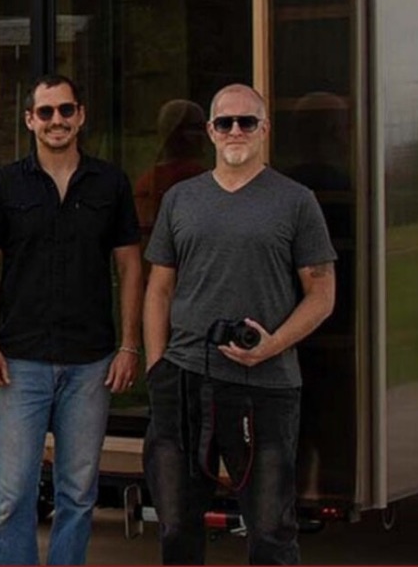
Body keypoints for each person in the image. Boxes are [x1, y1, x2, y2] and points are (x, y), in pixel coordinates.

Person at [142, 83, 336, 565]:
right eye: (224, 122)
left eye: (246, 121)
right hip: (183, 382)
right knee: (176, 526)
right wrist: (156, 367)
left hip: (265, 388)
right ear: (210, 131)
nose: (235, 131)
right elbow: (158, 289)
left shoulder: (296, 201)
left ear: (264, 129)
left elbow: (322, 294)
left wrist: (272, 345)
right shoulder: (180, 199)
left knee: (270, 530)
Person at [0, 73, 143, 565]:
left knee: (78, 494)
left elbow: (130, 266)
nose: (56, 120)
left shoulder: (110, 183)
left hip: (91, 362)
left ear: (80, 116)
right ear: (30, 120)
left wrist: (129, 345)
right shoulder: (3, 184)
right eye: (45, 112)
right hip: (20, 362)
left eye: (66, 110)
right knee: (12, 496)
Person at [133, 98, 207, 244]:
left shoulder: (146, 180)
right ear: (176, 132)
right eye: (194, 128)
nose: (202, 135)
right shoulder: (196, 178)